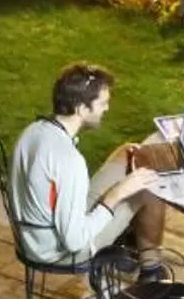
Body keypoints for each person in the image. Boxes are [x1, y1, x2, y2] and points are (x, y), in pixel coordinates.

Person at [9, 62, 170, 281]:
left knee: (127, 152)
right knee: (148, 184)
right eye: (102, 103)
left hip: (33, 235)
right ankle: (151, 272)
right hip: (59, 252)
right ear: (82, 109)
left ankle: (132, 238)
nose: (107, 108)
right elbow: (75, 241)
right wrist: (117, 194)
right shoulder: (69, 161)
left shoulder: (34, 131)